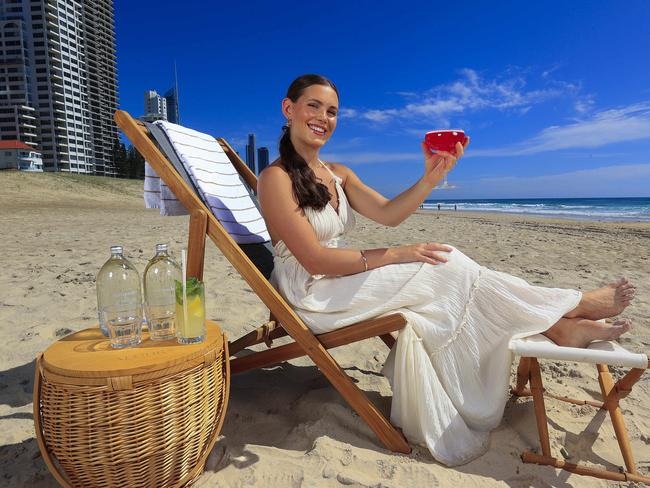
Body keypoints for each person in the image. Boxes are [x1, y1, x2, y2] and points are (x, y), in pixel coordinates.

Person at [257, 74, 636, 466]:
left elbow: (389, 215)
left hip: (339, 279)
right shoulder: (275, 178)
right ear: (289, 110)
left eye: (332, 111)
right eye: (313, 106)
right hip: (314, 295)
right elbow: (314, 260)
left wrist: (430, 177)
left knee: (445, 260)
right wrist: (399, 254)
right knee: (441, 263)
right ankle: (569, 310)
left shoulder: (339, 173)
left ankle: (561, 323)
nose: (323, 117)